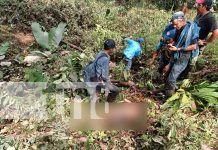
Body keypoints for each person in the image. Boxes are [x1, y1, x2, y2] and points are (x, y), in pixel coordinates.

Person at [165, 11, 200, 97]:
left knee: (172, 77)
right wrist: (172, 44)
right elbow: (176, 40)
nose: (174, 26)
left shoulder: (191, 30)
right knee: (169, 72)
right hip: (177, 53)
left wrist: (178, 48)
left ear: (181, 20)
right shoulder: (178, 28)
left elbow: (194, 46)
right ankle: (169, 91)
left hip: (185, 55)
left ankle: (169, 98)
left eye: (176, 24)